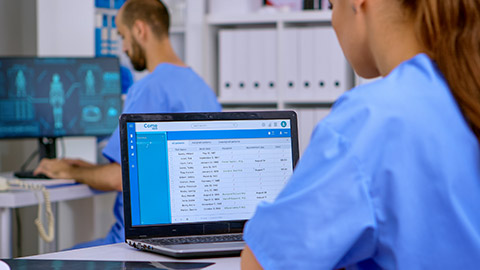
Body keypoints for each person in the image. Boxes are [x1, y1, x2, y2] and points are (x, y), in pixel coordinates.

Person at [241, 0, 480, 269]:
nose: (333, 20)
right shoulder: (465, 90)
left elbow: (260, 263)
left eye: (332, 5)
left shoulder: (375, 118)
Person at [34, 0, 221, 248]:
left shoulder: (149, 88)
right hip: (190, 236)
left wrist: (69, 171)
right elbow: (156, 169)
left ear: (140, 30)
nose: (123, 47)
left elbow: (121, 178)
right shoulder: (200, 87)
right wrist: (88, 168)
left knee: (48, 261)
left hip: (140, 242)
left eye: (123, 36)